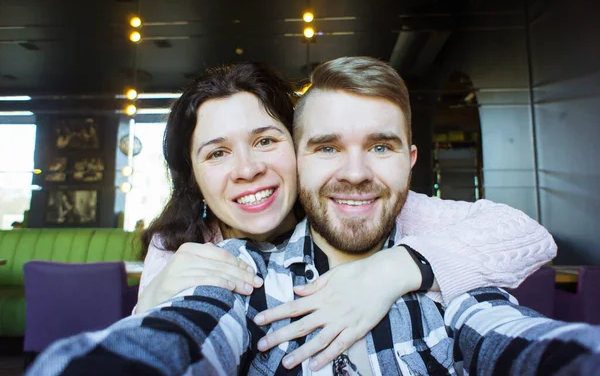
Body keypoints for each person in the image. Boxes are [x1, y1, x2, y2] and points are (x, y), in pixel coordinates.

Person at [28, 57, 589, 376]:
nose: (247, 169)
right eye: (216, 153)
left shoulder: (403, 221)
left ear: (292, 154)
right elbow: (174, 338)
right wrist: (149, 307)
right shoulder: (195, 253)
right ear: (193, 176)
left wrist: (393, 268)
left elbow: (517, 273)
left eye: (264, 140)